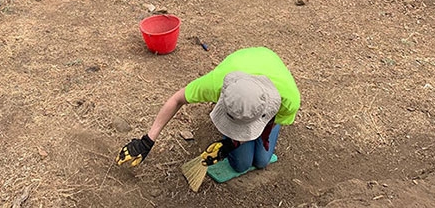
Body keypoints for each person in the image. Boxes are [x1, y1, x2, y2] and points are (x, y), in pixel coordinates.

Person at [116, 47, 300, 173]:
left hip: (267, 61)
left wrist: (234, 143)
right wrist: (147, 141)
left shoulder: (288, 100)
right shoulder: (215, 83)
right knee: (241, 165)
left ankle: (243, 129)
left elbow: (272, 121)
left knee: (261, 161)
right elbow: (176, 99)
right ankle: (237, 127)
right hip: (241, 62)